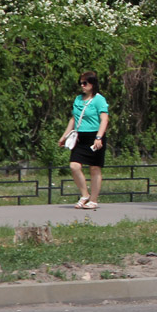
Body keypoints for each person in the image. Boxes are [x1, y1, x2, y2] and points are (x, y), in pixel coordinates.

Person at [58, 71, 109, 211]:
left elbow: (104, 119)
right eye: (80, 83)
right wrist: (64, 136)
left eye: (85, 83)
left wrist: (99, 137)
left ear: (92, 84)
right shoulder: (78, 99)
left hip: (95, 136)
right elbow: (73, 119)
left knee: (94, 168)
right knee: (74, 165)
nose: (82, 85)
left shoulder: (99, 100)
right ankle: (84, 194)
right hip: (80, 136)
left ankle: (93, 200)